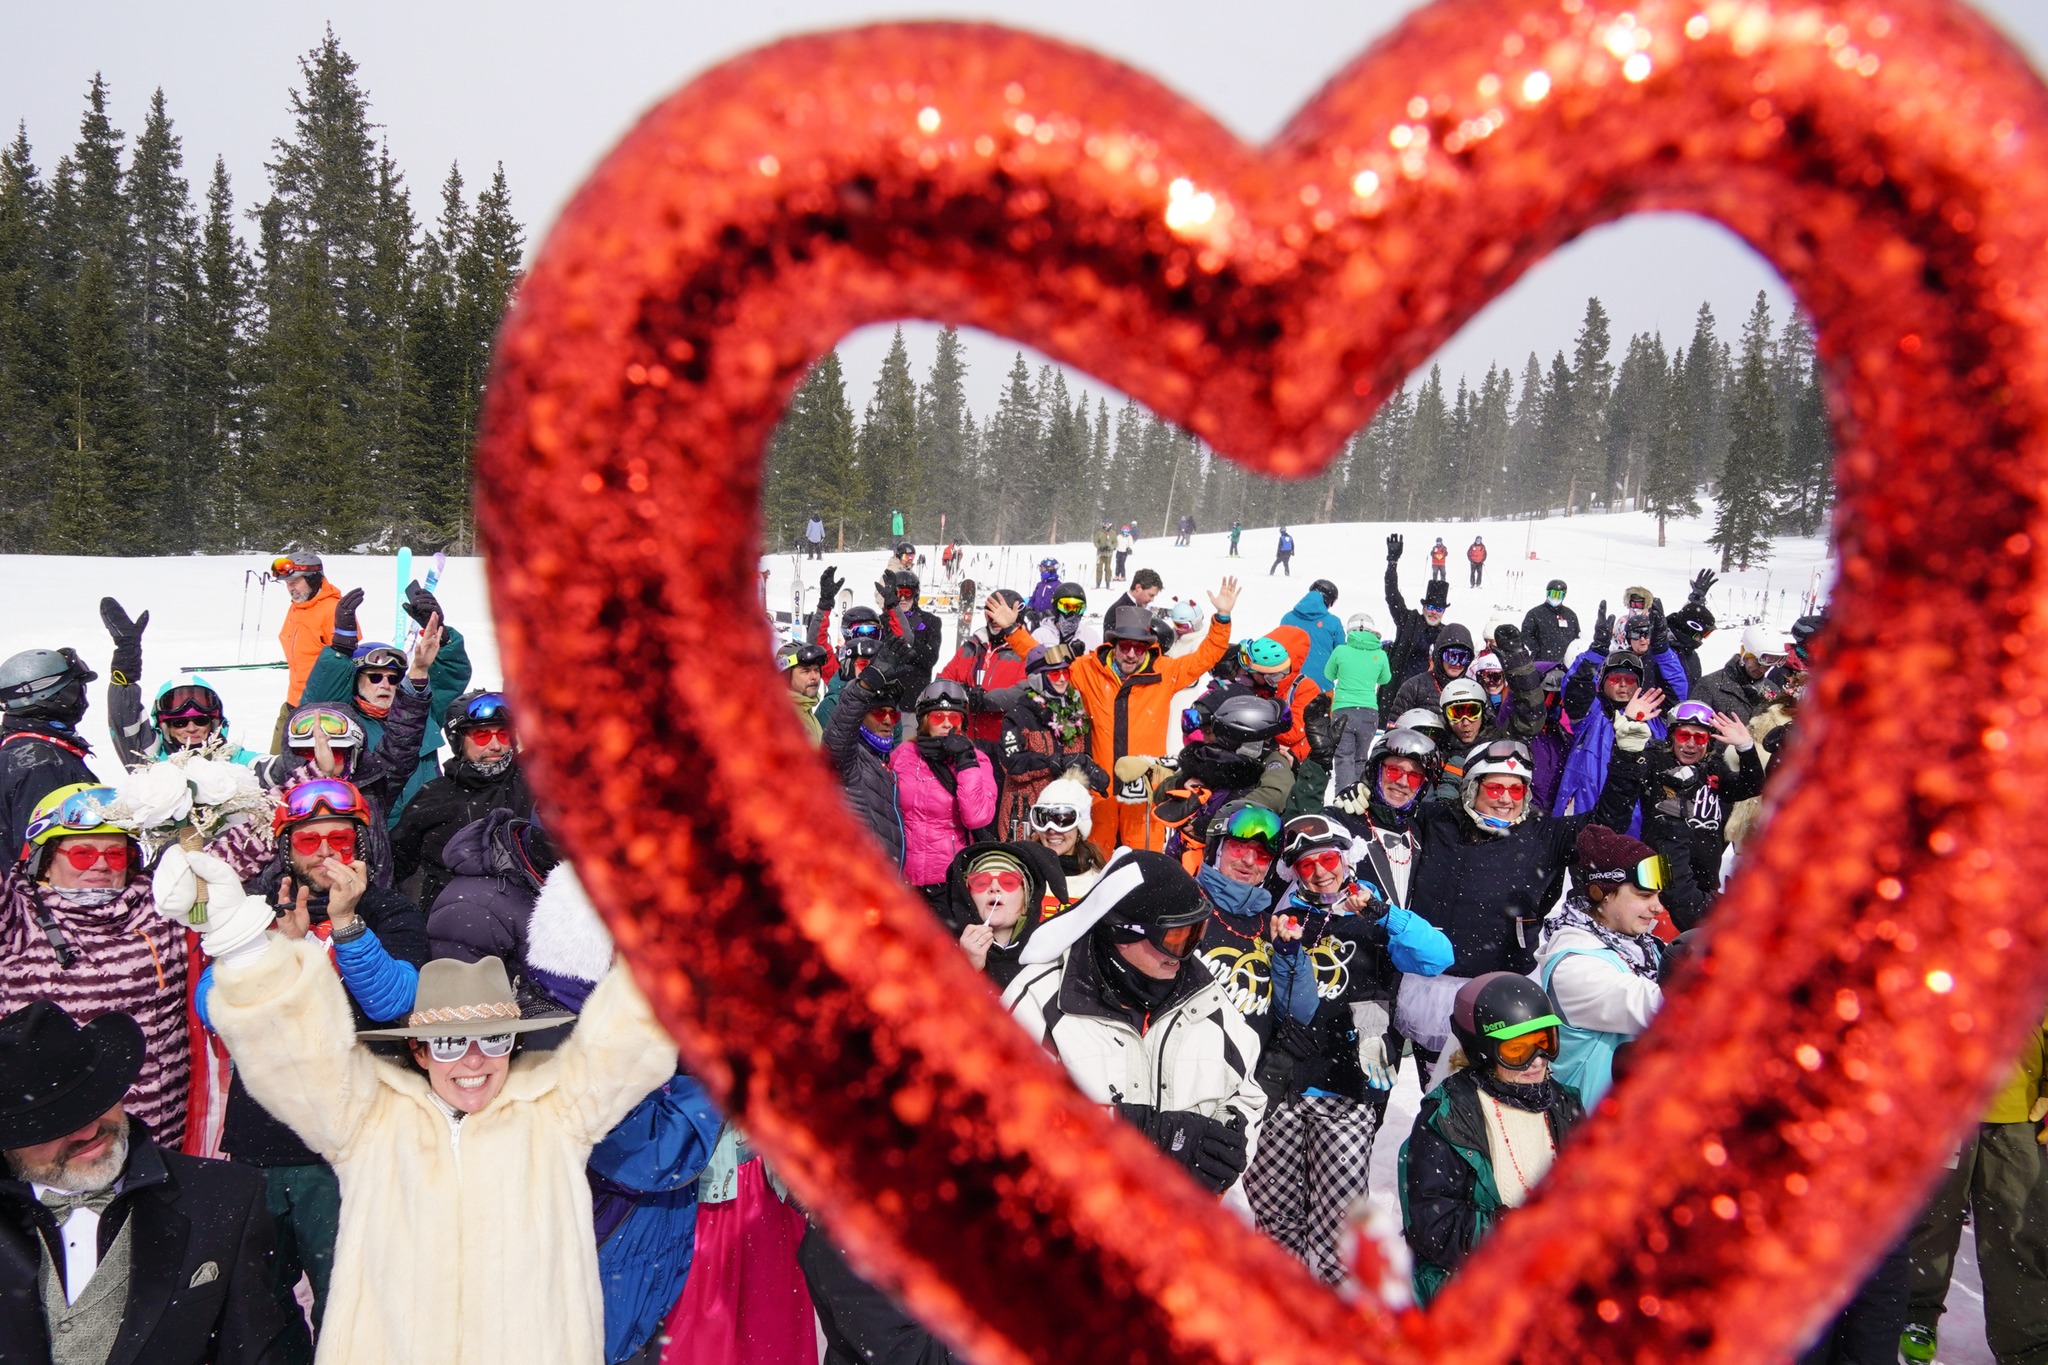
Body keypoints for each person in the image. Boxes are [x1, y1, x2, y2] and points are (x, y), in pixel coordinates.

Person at [178, 833, 679, 1365]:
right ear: (417, 1052)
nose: (472, 1061)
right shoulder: (368, 1122)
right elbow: (290, 1054)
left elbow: (631, 1038)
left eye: (494, 1039)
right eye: (448, 1043)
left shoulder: (558, 1112)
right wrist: (243, 945)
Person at [194, 776, 429, 1345]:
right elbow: (213, 1007)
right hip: (260, 1143)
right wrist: (280, 953)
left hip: (350, 1148)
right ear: (285, 849)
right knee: (257, 1316)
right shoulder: (254, 913)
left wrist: (347, 926)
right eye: (309, 841)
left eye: (341, 841)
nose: (326, 853)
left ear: (362, 847)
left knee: (351, 1308)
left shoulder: (392, 911)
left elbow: (394, 1002)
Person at [0, 1001, 311, 1363]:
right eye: (54, 1124)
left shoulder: (224, 1199)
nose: (87, 1130)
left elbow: (261, 1351)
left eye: (95, 1101)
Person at [0, 782, 271, 1151]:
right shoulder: (18, 920)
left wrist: (315, 770)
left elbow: (247, 843)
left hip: (166, 1144)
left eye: (115, 855)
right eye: (82, 854)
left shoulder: (159, 903)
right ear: (44, 859)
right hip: (65, 1147)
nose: (100, 865)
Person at [1245, 816, 1451, 1285]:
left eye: (1329, 860)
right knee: (1272, 1205)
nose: (1319, 873)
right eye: (1306, 864)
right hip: (1285, 1081)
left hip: (1349, 1084)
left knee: (1338, 1218)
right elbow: (1279, 1000)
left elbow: (1439, 957)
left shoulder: (1372, 915)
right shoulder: (1281, 917)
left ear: (1346, 858)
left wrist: (1386, 915)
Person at [1399, 704, 1653, 1070]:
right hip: (1431, 986)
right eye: (1496, 787)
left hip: (1502, 989)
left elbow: (1606, 822)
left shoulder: (1543, 834)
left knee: (1495, 1095)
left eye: (1516, 790)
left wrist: (1627, 758)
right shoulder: (1437, 820)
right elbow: (1388, 812)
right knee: (1439, 1101)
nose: (1505, 799)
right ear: (1472, 788)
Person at [1007, 850, 1266, 1204]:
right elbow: (1003, 1120)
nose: (1184, 955)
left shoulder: (1208, 1000)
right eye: (1175, 938)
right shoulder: (1044, 1002)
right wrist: (1137, 1133)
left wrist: (1229, 1139)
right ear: (1121, 934)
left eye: (1196, 934)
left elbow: (1247, 1095)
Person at [1398, 972, 1584, 1305]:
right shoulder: (1448, 1118)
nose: (1537, 1060)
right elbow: (1435, 1226)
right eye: (1518, 1050)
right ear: (1483, 1051)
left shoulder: (1563, 1104)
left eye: (1545, 1042)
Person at [1898, 1014, 2048, 1365]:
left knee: (2018, 1231)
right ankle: (1916, 1315)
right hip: (1942, 1105)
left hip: (2019, 1111)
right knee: (1931, 1219)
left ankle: (2028, 1345)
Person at [1056, 581, 1239, 853]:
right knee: (1094, 858)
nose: (1131, 653)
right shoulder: (1088, 669)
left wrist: (1222, 618)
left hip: (1143, 789)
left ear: (1148, 648)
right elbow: (1043, 663)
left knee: (1144, 859)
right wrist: (1013, 631)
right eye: (1126, 646)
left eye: (1139, 648)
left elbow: (1207, 656)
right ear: (1114, 644)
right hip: (1100, 787)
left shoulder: (1164, 672)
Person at [305, 582, 473, 820]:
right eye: (374, 677)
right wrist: (341, 647)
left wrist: (442, 637)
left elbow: (449, 678)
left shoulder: (421, 714)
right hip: (376, 828)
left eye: (394, 679)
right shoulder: (344, 723)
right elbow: (317, 706)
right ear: (356, 680)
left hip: (426, 827)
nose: (385, 684)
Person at [1532, 826, 1669, 1108]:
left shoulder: (1642, 946)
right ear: (1601, 894)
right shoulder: (1575, 966)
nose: (1658, 907)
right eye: (1644, 895)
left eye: (1657, 895)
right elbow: (1661, 1007)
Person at [390, 691, 534, 913]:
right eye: (482, 735)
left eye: (504, 734)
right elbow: (396, 864)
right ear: (458, 741)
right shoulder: (433, 797)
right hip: (454, 918)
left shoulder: (534, 781)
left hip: (529, 913)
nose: (496, 746)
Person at [99, 599, 267, 774]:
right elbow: (123, 717)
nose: (191, 728)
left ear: (214, 724)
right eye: (180, 723)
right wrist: (126, 662)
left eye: (201, 720)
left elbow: (269, 767)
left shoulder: (232, 758)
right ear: (166, 727)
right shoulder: (149, 757)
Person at [1639, 700, 1764, 930]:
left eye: (1700, 738)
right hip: (1658, 880)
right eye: (1683, 735)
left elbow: (1752, 786)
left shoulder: (1712, 768)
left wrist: (1746, 748)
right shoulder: (1655, 762)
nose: (1691, 744)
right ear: (1671, 736)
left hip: (1704, 880)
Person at [890, 680, 998, 898]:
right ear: (924, 721)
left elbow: (977, 817)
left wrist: (965, 762)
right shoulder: (903, 755)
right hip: (903, 879)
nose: (947, 724)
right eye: (938, 717)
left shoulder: (978, 760)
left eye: (954, 718)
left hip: (949, 882)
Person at [994, 645, 1104, 839]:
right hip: (1026, 815)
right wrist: (1054, 763)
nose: (1062, 679)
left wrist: (1089, 769)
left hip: (1066, 816)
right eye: (1054, 674)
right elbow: (1012, 764)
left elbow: (1083, 754)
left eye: (1066, 673)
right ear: (1038, 678)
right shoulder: (1019, 716)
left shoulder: (1075, 714)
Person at [0, 646, 101, 853]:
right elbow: (40, 854)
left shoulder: (16, 748)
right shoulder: (42, 762)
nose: (81, 698)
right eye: (75, 687)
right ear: (52, 695)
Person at [936, 842, 1068, 989]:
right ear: (969, 900)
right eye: (981, 883)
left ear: (1026, 902)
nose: (994, 888)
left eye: (1008, 882)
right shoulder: (941, 950)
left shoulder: (1050, 954)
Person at [1323, 614, 1391, 792]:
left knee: (1344, 757)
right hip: (1369, 713)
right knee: (1361, 758)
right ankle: (1359, 797)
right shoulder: (1380, 654)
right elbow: (1385, 679)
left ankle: (1343, 797)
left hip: (1343, 710)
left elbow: (1328, 675)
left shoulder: (1340, 651)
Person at [272, 552, 341, 715]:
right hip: (293, 701)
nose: (291, 588)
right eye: (288, 583)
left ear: (313, 579)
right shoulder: (297, 606)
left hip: (320, 706)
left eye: (295, 582)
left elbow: (345, 661)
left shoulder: (333, 609)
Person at [1023, 775, 1108, 897]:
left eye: (1063, 820)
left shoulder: (1098, 882)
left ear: (1079, 829)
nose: (1052, 830)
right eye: (1044, 819)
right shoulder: (1024, 875)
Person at [1383, 535, 1448, 693]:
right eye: (1431, 607)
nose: (1434, 612)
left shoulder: (1446, 634)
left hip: (1431, 697)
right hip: (1400, 692)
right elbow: (1392, 594)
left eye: (1439, 609)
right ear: (1424, 607)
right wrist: (1392, 562)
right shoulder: (1409, 621)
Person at [1691, 622, 1785, 724]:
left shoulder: (1773, 690)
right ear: (1744, 654)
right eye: (1758, 663)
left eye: (1769, 666)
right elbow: (1694, 729)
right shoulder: (1709, 686)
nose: (1763, 670)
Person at [1389, 623, 1475, 718]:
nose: (1457, 664)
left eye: (1463, 658)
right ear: (1439, 656)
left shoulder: (1474, 690)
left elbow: (1488, 729)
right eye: (1451, 656)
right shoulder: (1414, 687)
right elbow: (1395, 729)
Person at [1279, 579, 1346, 690]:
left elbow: (1278, 648)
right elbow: (1341, 653)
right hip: (1321, 685)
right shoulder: (1333, 622)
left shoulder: (1287, 618)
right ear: (1328, 601)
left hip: (1290, 684)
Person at [774, 640, 830, 744]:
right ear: (786, 675)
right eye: (806, 671)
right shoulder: (782, 718)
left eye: (816, 670)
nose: (814, 677)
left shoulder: (806, 710)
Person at [1521, 579, 1581, 664]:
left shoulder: (1570, 615)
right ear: (1547, 594)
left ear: (1563, 596)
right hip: (1541, 661)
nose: (1555, 598)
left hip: (1565, 662)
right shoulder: (1535, 613)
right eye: (1552, 594)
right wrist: (1538, 649)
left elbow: (1577, 636)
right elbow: (1526, 634)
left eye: (1558, 595)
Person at [1092, 521, 1116, 589]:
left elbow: (1115, 543)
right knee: (1099, 568)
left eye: (1108, 525)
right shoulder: (1099, 533)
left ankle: (1108, 583)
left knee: (1108, 568)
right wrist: (1099, 547)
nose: (1107, 526)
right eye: (1106, 525)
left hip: (1108, 554)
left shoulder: (1113, 533)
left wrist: (1111, 547)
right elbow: (1095, 541)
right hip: (1100, 553)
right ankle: (1098, 583)